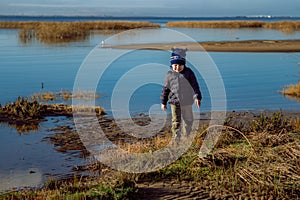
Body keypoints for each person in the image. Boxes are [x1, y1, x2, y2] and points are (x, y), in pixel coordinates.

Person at [160, 48, 202, 142]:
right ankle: (176, 137)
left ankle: (186, 136)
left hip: (187, 101)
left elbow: (195, 86)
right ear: (172, 64)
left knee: (188, 120)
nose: (177, 67)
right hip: (174, 102)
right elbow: (165, 89)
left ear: (184, 64)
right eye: (175, 65)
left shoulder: (189, 73)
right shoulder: (169, 75)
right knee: (176, 121)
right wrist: (163, 102)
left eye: (180, 65)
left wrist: (197, 97)